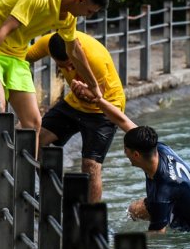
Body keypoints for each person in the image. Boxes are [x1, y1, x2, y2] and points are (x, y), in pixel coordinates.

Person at [70, 79, 190, 233]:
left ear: (136, 154)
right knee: (134, 211)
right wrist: (97, 100)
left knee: (159, 222)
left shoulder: (162, 193)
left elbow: (157, 236)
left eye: (125, 150)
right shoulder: (158, 148)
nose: (124, 153)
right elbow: (122, 121)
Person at [0, 0, 108, 153]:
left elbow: (73, 51)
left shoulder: (68, 18)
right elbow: (4, 29)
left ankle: (26, 179)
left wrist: (94, 86)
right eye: (89, 12)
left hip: (17, 57)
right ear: (80, 0)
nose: (87, 17)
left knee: (34, 123)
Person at [25, 30, 125, 202]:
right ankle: (52, 197)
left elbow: (97, 97)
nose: (70, 69)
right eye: (64, 66)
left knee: (91, 165)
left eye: (72, 64)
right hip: (73, 104)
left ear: (76, 50)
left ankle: (90, 219)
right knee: (37, 140)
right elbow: (22, 57)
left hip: (104, 109)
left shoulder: (95, 57)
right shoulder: (49, 42)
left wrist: (85, 92)